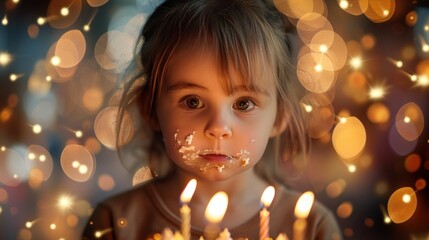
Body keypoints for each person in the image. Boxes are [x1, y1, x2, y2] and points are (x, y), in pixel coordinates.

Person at [82, 0, 342, 239]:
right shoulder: (116, 223)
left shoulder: (310, 227)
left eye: (243, 103)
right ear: (150, 109)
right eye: (192, 101)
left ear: (280, 116)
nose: (218, 128)